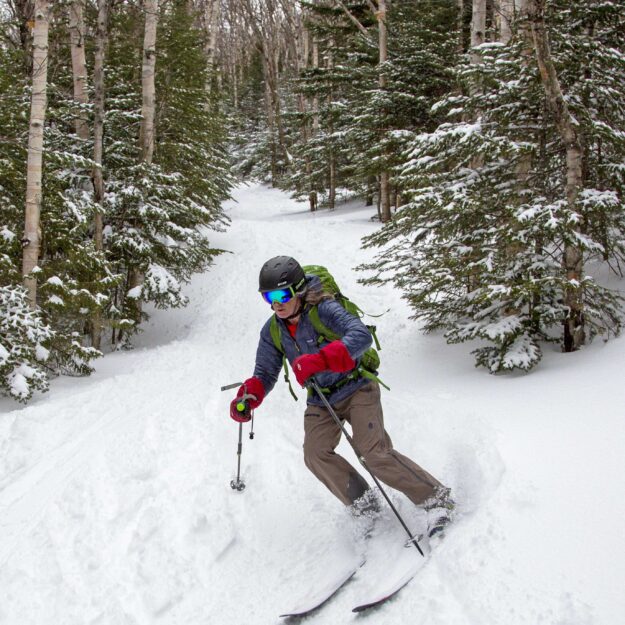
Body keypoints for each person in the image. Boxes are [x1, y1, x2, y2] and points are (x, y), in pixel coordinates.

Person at [229, 255, 454, 537]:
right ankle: (365, 505)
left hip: (357, 385)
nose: (276, 303)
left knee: (374, 454)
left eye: (281, 294)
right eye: (268, 297)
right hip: (321, 398)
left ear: (298, 289)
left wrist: (319, 360)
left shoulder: (324, 308)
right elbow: (265, 371)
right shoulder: (273, 330)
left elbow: (360, 335)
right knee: (315, 454)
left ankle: (435, 500)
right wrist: (250, 396)